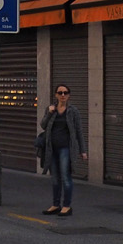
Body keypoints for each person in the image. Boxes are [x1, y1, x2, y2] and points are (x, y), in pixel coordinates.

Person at [39, 83, 87, 217]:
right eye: (60, 93)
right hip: (51, 149)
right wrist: (49, 112)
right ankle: (55, 205)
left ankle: (66, 206)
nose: (63, 95)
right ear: (56, 95)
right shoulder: (50, 109)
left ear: (69, 95)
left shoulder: (73, 111)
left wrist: (83, 150)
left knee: (66, 177)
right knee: (55, 178)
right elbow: (43, 125)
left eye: (65, 93)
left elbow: (79, 132)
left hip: (66, 148)